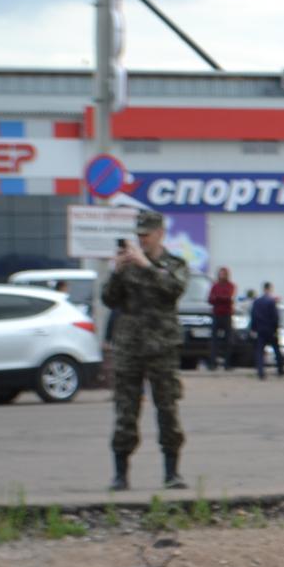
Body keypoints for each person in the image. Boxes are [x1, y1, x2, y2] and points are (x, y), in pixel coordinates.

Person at [102, 209, 190, 492]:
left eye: (147, 235)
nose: (142, 240)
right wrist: (116, 272)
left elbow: (174, 289)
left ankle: (172, 473)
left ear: (160, 234)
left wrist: (147, 266)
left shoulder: (173, 264)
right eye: (139, 235)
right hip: (130, 348)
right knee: (125, 410)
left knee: (167, 408)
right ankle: (120, 474)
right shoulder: (126, 266)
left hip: (162, 347)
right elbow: (109, 299)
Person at [249, 281, 284, 378]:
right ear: (270, 289)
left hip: (260, 329)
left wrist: (253, 328)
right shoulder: (271, 301)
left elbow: (253, 316)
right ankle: (280, 369)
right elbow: (275, 317)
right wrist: (276, 328)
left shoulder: (257, 302)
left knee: (260, 351)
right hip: (270, 329)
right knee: (276, 350)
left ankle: (260, 371)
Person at [207, 266, 236, 371]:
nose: (221, 275)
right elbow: (210, 299)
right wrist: (220, 298)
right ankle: (212, 364)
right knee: (214, 341)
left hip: (227, 315)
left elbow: (229, 298)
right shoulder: (215, 286)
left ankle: (227, 364)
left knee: (228, 341)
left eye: (223, 273)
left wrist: (218, 298)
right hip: (216, 315)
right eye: (220, 273)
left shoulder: (231, 286)